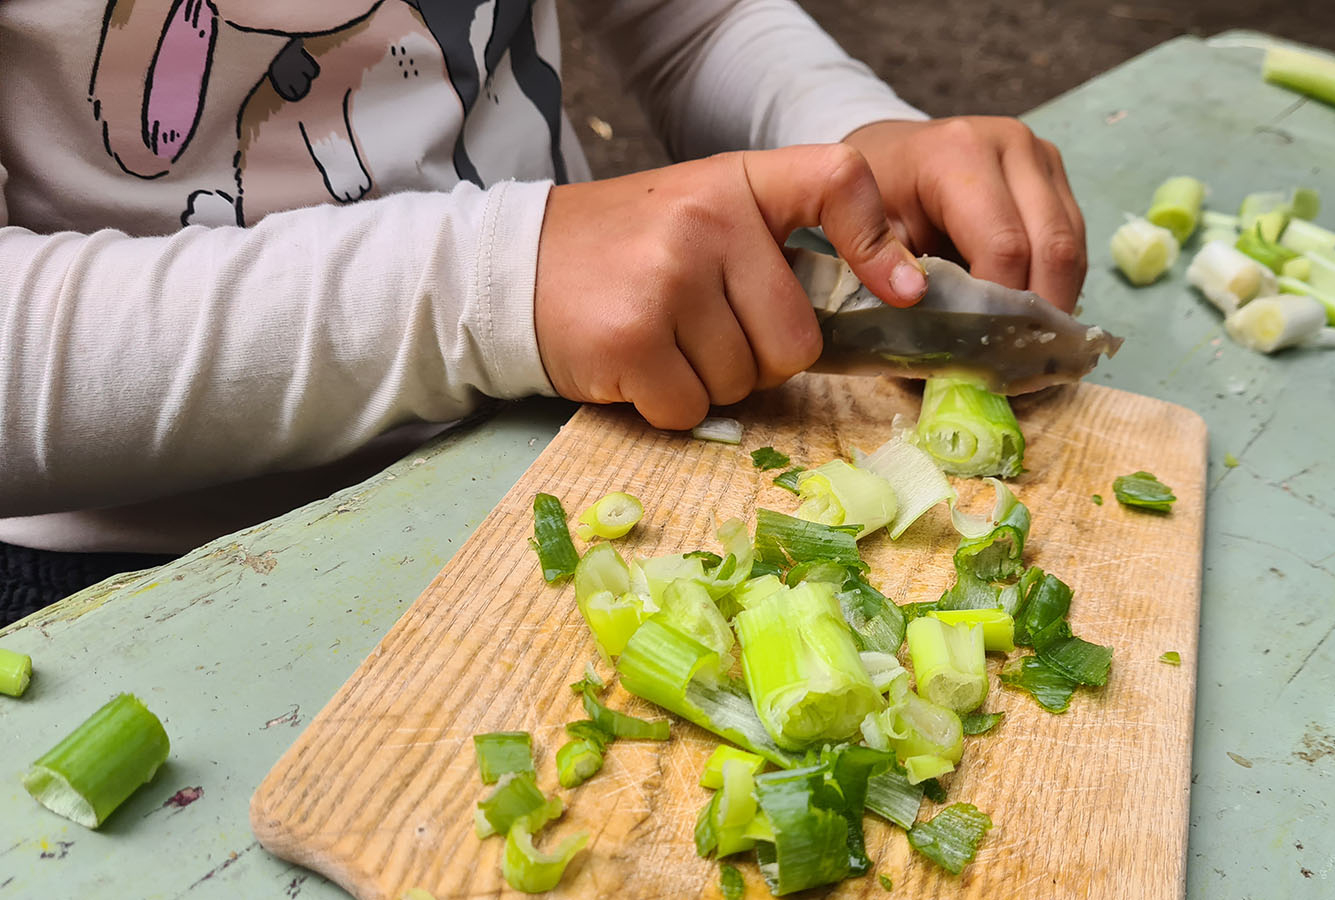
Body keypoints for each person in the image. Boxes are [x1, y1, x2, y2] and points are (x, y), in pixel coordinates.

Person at [0, 0, 1087, 623]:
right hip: (148, 579)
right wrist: (485, 284)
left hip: (584, 445)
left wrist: (848, 135)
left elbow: (691, 20)